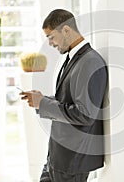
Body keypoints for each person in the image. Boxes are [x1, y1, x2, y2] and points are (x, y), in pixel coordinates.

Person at [20, 9, 108, 182]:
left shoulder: (90, 62)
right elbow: (68, 101)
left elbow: (84, 114)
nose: (51, 44)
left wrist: (43, 104)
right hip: (58, 156)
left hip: (72, 162)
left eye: (51, 37)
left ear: (66, 30)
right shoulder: (73, 58)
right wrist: (42, 100)